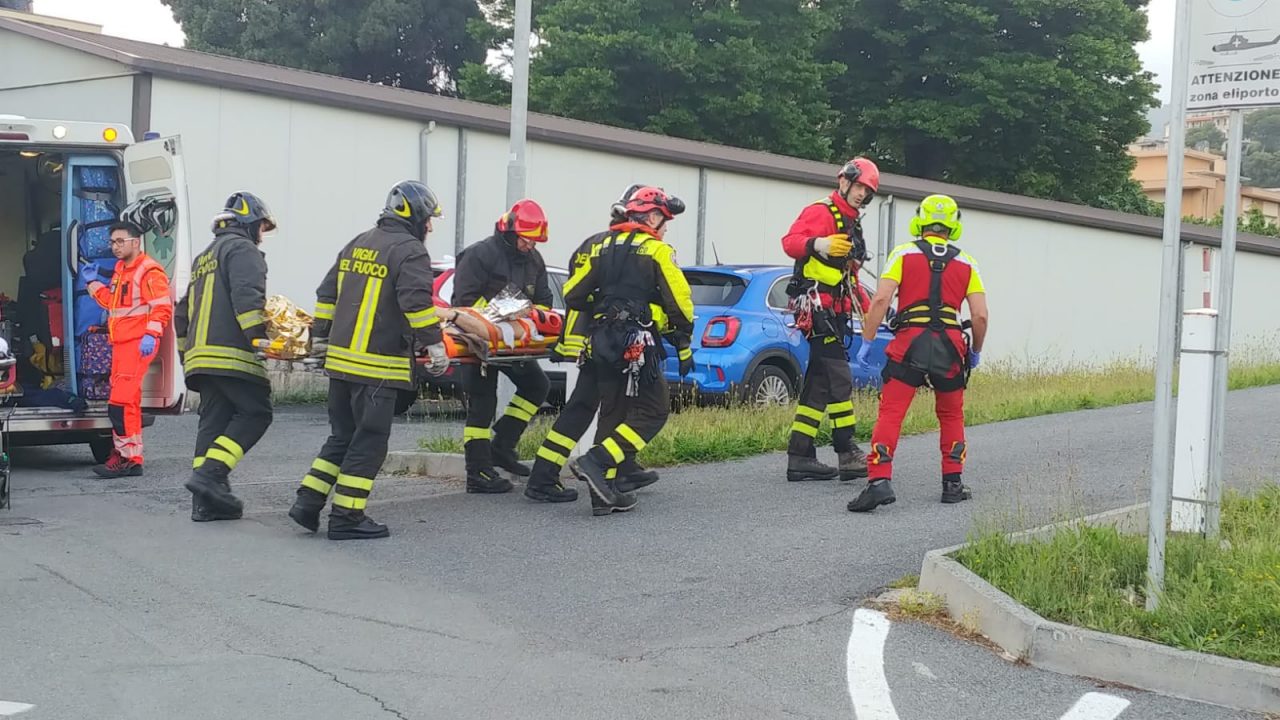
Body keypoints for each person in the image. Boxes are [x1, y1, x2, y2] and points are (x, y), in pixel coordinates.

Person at [284, 181, 450, 540]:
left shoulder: (358, 242)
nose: (430, 227)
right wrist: (435, 345)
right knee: (370, 442)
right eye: (429, 219)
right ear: (415, 216)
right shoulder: (410, 251)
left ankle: (308, 502)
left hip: (341, 364)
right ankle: (347, 516)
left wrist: (321, 338)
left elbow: (326, 294)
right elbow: (416, 304)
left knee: (342, 436)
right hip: (378, 367)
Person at [524, 186, 681, 503]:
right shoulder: (624, 248)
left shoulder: (595, 244)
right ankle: (576, 472)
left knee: (605, 406)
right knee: (603, 407)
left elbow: (577, 292)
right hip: (607, 339)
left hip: (592, 337)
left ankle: (616, 471)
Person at [848, 193, 988, 512]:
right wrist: (975, 352)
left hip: (909, 342)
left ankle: (879, 481)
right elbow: (980, 315)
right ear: (953, 224)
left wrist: (867, 340)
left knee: (892, 412)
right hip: (950, 346)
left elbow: (881, 300)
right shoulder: (968, 262)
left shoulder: (903, 253)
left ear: (920, 220)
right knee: (951, 414)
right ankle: (952, 483)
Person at [562, 186, 694, 516]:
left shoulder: (602, 247)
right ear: (652, 217)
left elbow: (573, 294)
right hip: (635, 342)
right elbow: (679, 302)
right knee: (653, 410)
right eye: (665, 221)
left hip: (600, 341)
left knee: (613, 412)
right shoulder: (657, 250)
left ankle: (603, 494)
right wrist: (683, 338)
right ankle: (596, 461)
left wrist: (607, 304)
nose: (666, 228)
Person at [176, 192, 277, 522]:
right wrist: (260, 339)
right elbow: (248, 297)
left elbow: (181, 313)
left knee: (213, 423)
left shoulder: (204, 257)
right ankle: (210, 475)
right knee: (256, 413)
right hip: (231, 355)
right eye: (261, 227)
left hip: (200, 358)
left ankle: (205, 504)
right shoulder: (243, 249)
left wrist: (186, 356)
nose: (262, 235)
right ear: (249, 223)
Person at [779, 157, 880, 483]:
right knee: (839, 376)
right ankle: (846, 450)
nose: (862, 194)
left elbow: (849, 275)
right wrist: (817, 243)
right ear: (844, 181)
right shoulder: (820, 212)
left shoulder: (852, 223)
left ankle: (800, 455)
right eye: (859, 187)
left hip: (835, 310)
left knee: (819, 384)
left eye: (867, 191)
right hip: (815, 308)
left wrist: (868, 309)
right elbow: (790, 242)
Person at [450, 199, 556, 495]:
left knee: (537, 386)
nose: (529, 245)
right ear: (509, 231)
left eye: (534, 241)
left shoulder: (533, 260)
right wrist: (495, 314)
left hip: (513, 341)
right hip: (478, 340)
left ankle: (503, 445)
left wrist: (532, 315)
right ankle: (478, 472)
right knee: (482, 403)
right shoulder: (479, 255)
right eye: (525, 239)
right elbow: (463, 302)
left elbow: (544, 300)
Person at [81, 220, 173, 478]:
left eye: (120, 241)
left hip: (137, 344)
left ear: (136, 242)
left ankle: (125, 457)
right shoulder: (122, 269)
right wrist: (92, 283)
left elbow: (162, 307)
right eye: (112, 242)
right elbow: (113, 304)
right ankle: (131, 458)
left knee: (119, 404)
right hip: (122, 344)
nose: (115, 247)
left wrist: (151, 334)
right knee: (128, 404)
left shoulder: (148, 270)